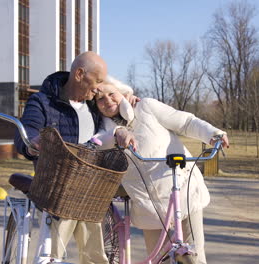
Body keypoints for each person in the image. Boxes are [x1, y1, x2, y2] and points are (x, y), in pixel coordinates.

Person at [93, 77, 230, 264]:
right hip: (148, 206)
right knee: (159, 260)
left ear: (123, 94)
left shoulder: (145, 107)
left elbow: (185, 122)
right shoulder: (102, 130)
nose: (107, 100)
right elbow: (99, 142)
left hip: (183, 190)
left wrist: (213, 134)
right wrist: (118, 133)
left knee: (194, 258)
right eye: (100, 99)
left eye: (111, 94)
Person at [14, 51, 127, 264]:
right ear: (79, 74)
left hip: (90, 191)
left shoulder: (94, 105)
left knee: (95, 256)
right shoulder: (42, 102)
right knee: (53, 256)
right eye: (97, 81)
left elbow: (114, 114)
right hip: (57, 189)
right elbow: (25, 135)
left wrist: (128, 100)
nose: (99, 88)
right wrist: (35, 142)